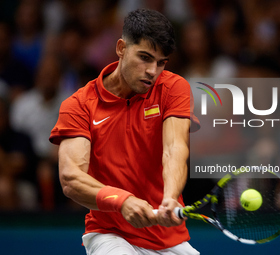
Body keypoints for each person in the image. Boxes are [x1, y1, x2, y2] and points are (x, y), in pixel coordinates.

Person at [49, 8, 200, 255]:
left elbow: (175, 149)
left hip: (168, 239)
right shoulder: (78, 106)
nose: (153, 71)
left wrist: (170, 196)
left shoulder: (174, 88)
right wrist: (122, 201)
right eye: (145, 57)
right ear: (121, 48)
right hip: (110, 235)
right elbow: (71, 178)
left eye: (161, 62)